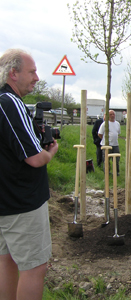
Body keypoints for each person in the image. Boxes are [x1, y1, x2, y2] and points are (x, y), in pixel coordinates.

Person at [0, 49, 59, 300]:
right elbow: (34, 158)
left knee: (7, 261)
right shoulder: (10, 102)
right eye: (32, 71)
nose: (36, 77)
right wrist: (51, 152)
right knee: (34, 267)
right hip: (21, 202)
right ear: (13, 73)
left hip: (5, 200)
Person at [98, 110, 121, 175]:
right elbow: (100, 134)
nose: (112, 116)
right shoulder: (105, 124)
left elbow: (118, 133)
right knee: (106, 160)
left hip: (115, 144)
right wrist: (105, 141)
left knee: (117, 159)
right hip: (107, 145)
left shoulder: (117, 124)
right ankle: (107, 173)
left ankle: (116, 172)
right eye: (111, 114)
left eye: (113, 114)